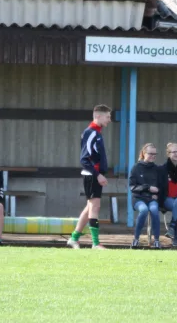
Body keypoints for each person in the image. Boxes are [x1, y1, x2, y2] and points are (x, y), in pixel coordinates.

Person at [67, 104, 112, 250]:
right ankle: (95, 243)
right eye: (108, 117)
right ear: (98, 116)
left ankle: (73, 238)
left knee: (89, 208)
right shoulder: (90, 132)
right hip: (91, 176)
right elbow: (84, 159)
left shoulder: (97, 133)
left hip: (95, 175)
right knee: (95, 207)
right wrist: (97, 175)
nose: (109, 120)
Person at [129, 143, 165, 249]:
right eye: (150, 153)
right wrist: (148, 188)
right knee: (144, 210)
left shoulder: (157, 169)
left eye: (155, 154)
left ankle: (157, 240)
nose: (153, 156)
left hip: (152, 199)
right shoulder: (136, 168)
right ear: (144, 154)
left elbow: (162, 186)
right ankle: (136, 239)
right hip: (138, 198)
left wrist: (158, 194)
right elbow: (132, 187)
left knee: (154, 210)